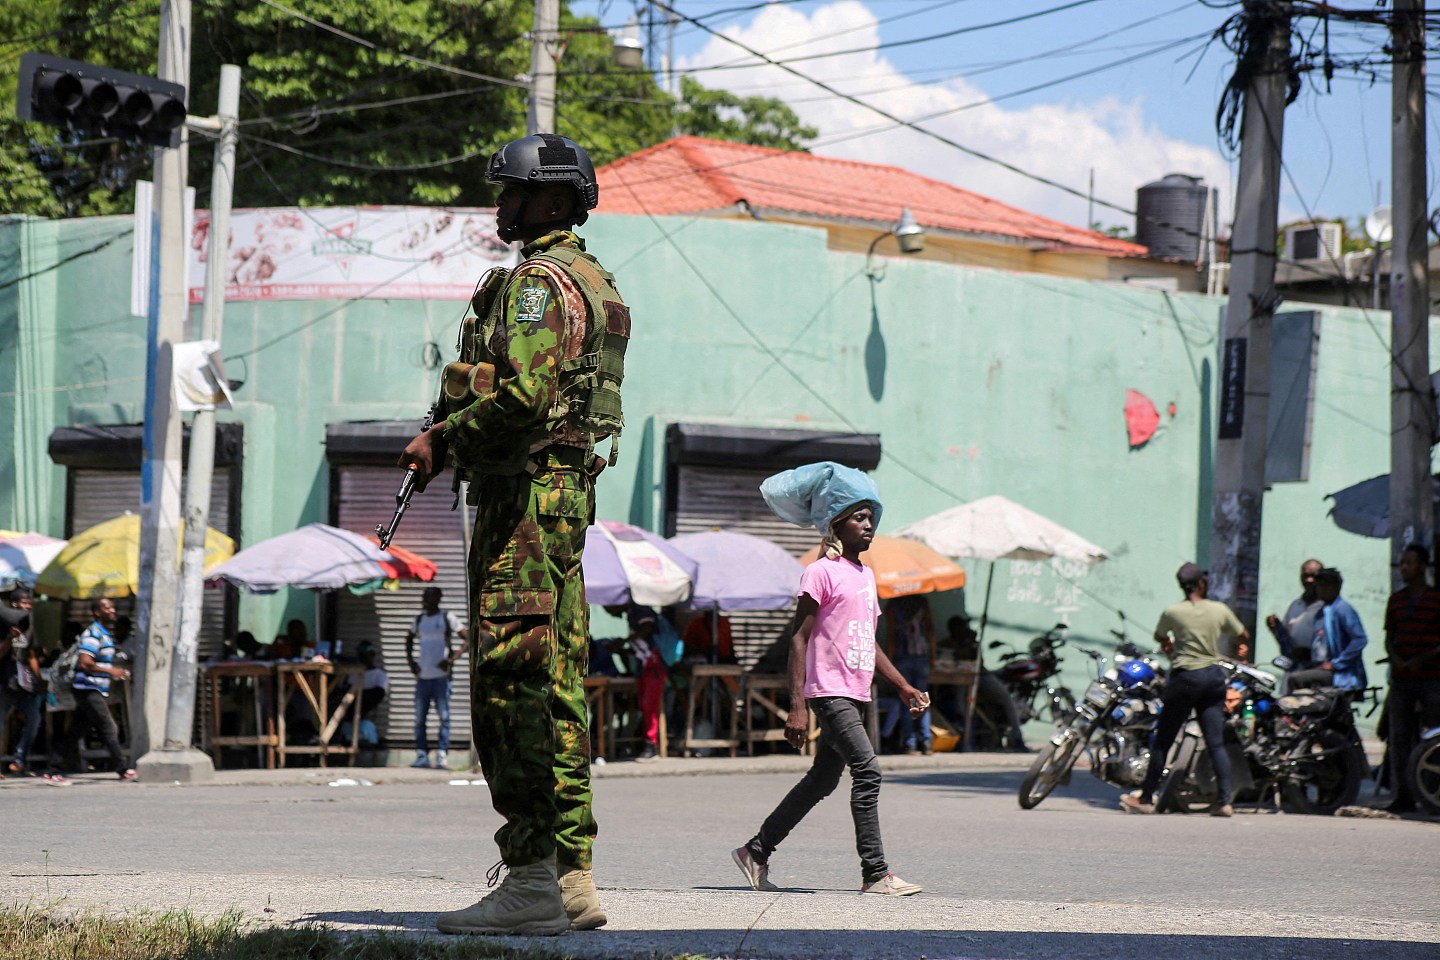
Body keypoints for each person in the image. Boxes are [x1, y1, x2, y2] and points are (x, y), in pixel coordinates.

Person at [400, 134, 626, 936]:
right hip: (561, 497)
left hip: (524, 501)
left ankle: (531, 874)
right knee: (557, 679)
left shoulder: (537, 284)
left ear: (556, 202)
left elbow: (526, 392)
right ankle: (570, 877)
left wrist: (444, 438)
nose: (500, 207)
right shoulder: (592, 280)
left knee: (511, 680)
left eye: (514, 194)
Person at [732, 461, 927, 897]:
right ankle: (875, 873)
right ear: (837, 524)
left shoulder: (865, 576)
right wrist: (797, 706)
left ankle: (756, 851)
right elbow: (798, 641)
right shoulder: (820, 572)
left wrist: (902, 685)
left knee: (822, 780)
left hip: (856, 692)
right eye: (859, 517)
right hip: (828, 692)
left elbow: (868, 641)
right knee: (868, 771)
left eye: (871, 517)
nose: (869, 525)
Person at [1121, 563, 1250, 817]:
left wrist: (1171, 647)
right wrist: (1240, 648)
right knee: (1215, 743)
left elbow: (1161, 636)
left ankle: (1146, 798)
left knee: (1163, 742)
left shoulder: (1173, 612)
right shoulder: (1218, 610)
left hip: (1184, 678)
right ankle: (1224, 802)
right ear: (1202, 584)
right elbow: (1242, 634)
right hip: (1213, 678)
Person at [43, 598, 133, 784]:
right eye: (108, 608)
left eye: (113, 607)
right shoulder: (93, 634)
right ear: (98, 612)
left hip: (93, 689)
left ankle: (53, 770)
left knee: (75, 732)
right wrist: (112, 671)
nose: (113, 610)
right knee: (109, 727)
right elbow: (85, 663)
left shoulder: (103, 633)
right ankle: (122, 769)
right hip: (87, 688)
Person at [1382, 544, 1440, 813]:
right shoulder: (1396, 600)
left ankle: (1431, 792)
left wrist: (1421, 660)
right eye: (1402, 563)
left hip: (1430, 678)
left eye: (1409, 563)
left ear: (1422, 566)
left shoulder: (1435, 599)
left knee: (1434, 739)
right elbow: (1389, 638)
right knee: (1400, 739)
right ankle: (1403, 795)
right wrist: (1398, 661)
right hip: (1402, 679)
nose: (1404, 567)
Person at [944, 614, 1028, 752]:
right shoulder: (949, 643)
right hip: (961, 678)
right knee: (961, 705)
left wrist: (970, 644)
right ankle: (965, 739)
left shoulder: (972, 641)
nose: (964, 629)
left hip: (981, 676)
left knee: (1006, 699)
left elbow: (977, 661)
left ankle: (1017, 738)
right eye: (960, 627)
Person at [405, 586, 466, 769]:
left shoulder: (447, 618)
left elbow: (467, 638)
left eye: (429, 597)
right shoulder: (420, 620)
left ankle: (441, 754)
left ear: (437, 599)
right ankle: (422, 754)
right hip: (423, 677)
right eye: (424, 597)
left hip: (441, 678)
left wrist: (451, 659)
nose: (425, 600)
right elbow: (408, 639)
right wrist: (411, 663)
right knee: (419, 719)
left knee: (444, 717)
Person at [602, 602, 668, 762]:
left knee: (649, 705)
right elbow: (639, 649)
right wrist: (621, 648)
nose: (609, 612)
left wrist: (623, 641)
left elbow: (647, 629)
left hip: (654, 664)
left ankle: (651, 745)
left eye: (609, 607)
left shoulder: (640, 610)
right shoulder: (632, 615)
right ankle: (647, 742)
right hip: (645, 666)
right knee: (644, 705)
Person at [1287, 568, 1369, 693]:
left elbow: (1360, 639)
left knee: (1296, 680)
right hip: (1320, 667)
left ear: (1336, 587)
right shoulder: (1322, 612)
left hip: (1341, 675)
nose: (1321, 589)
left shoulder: (1342, 609)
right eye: (1319, 586)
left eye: (1326, 586)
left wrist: (1336, 664)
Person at [883, 594, 934, 754]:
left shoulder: (893, 606)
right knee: (923, 698)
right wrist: (933, 655)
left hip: (902, 656)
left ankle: (910, 743)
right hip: (921, 655)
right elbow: (930, 629)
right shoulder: (922, 602)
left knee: (907, 700)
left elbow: (892, 635)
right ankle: (926, 742)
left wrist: (888, 663)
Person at [0, 588, 43, 777]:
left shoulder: (29, 625)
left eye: (30, 604)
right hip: (3, 681)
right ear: (14, 605)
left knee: (34, 719)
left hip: (22, 683)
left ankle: (19, 760)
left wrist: (39, 679)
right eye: (24, 604)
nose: (28, 607)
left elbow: (31, 653)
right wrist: (10, 637)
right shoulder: (3, 624)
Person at [1266, 559, 1325, 680]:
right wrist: (1276, 628)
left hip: (1316, 674)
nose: (1309, 580)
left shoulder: (1328, 609)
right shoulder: (1294, 606)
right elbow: (1286, 642)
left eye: (1313, 576)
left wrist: (1309, 653)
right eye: (1305, 576)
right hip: (1293, 673)